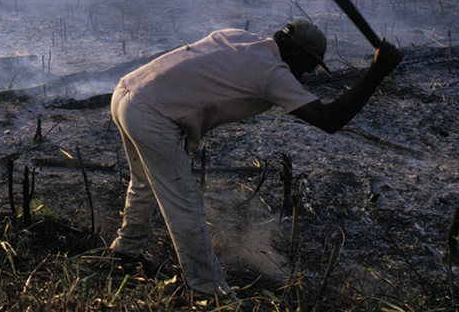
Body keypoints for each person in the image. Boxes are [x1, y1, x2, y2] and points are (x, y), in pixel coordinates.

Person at [108, 20, 402, 300]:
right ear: (297, 53)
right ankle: (208, 293)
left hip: (127, 92)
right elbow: (330, 119)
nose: (304, 76)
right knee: (186, 207)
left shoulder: (240, 37)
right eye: (309, 66)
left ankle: (126, 251)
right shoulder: (273, 73)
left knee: (145, 182)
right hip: (152, 114)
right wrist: (376, 71)